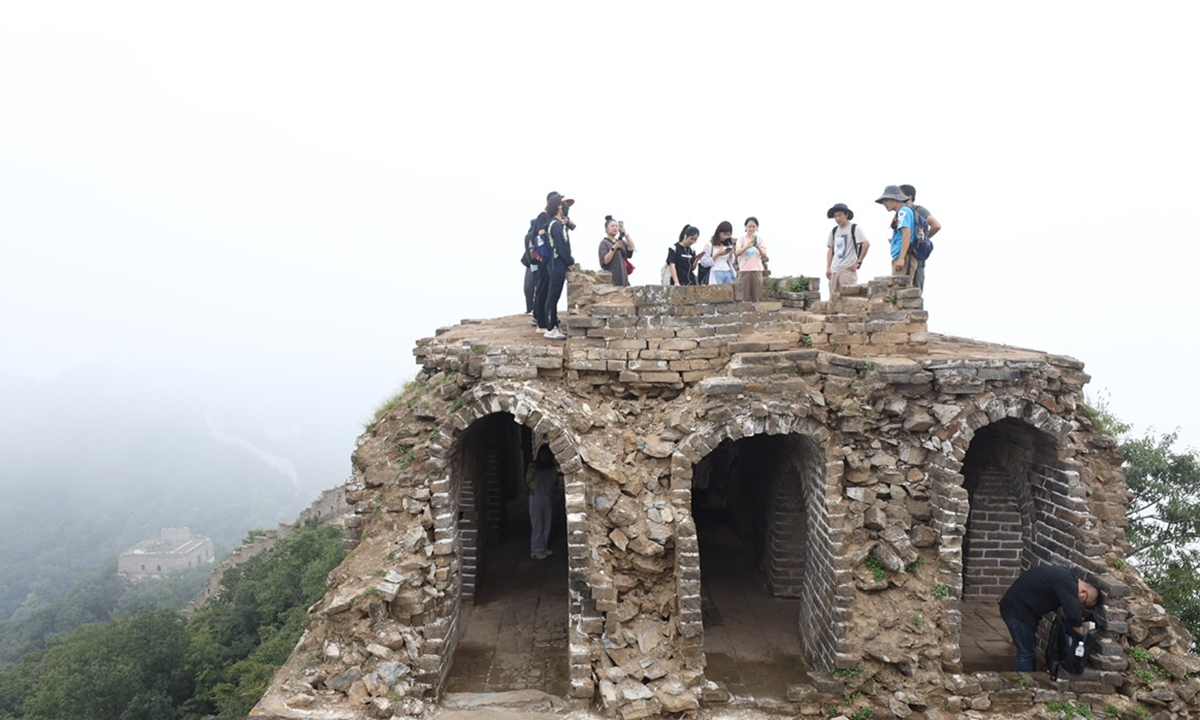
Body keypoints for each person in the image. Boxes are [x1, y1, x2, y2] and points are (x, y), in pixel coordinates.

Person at [999, 565, 1102, 672]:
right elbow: (1073, 616)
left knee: (1028, 649)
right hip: (1017, 611)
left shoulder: (1066, 577)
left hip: (1019, 609)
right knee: (1026, 652)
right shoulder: (1068, 583)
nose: (1081, 605)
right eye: (1084, 603)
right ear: (1084, 592)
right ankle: (1024, 683)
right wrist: (1080, 635)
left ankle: (1030, 677)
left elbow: (1062, 610)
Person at [542, 194, 575, 340]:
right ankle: (550, 328)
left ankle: (553, 325)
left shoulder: (556, 224)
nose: (565, 207)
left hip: (555, 264)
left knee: (553, 295)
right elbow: (561, 247)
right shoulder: (555, 225)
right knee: (553, 295)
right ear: (558, 206)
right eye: (563, 204)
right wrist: (570, 261)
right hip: (556, 264)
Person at [899, 184, 942, 292]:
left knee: (913, 294)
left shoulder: (918, 210)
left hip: (916, 258)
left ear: (909, 196)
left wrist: (920, 240)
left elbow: (936, 225)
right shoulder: (903, 212)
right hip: (909, 257)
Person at [825, 203, 870, 298]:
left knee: (849, 299)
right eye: (835, 216)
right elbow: (830, 250)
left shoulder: (854, 228)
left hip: (847, 269)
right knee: (833, 300)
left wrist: (859, 262)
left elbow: (866, 244)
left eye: (840, 215)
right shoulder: (834, 231)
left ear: (846, 215)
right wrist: (828, 267)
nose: (837, 218)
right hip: (834, 270)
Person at [875, 186, 915, 281]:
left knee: (900, 288)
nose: (884, 204)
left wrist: (901, 258)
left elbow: (906, 234)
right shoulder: (904, 211)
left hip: (904, 256)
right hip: (902, 255)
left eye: (886, 201)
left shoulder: (903, 212)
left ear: (895, 198)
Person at [525, 446, 558, 560]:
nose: (545, 457)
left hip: (547, 497)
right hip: (536, 497)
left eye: (547, 455)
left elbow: (555, 482)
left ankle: (543, 547)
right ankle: (535, 549)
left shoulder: (552, 468)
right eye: (543, 454)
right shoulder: (533, 466)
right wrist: (535, 470)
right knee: (537, 524)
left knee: (546, 524)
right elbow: (528, 480)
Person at [735, 216, 769, 301]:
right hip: (744, 270)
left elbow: (764, 254)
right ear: (745, 227)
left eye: (753, 226)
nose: (751, 228)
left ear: (756, 227)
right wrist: (746, 246)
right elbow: (737, 252)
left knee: (757, 295)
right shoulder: (741, 239)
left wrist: (758, 246)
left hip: (757, 269)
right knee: (743, 296)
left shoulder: (760, 239)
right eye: (749, 226)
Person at [598, 215, 636, 286]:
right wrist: (613, 248)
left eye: (616, 226)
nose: (615, 228)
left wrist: (626, 235)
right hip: (612, 279)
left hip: (624, 278)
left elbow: (632, 249)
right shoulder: (604, 243)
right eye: (612, 226)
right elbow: (605, 261)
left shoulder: (621, 242)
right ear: (606, 229)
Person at [704, 221, 737, 285]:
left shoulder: (728, 245)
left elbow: (731, 262)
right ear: (718, 232)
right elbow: (705, 263)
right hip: (715, 271)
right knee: (718, 293)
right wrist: (718, 254)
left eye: (728, 235)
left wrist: (731, 254)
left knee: (729, 293)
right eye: (724, 234)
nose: (725, 237)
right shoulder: (709, 245)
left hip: (727, 271)